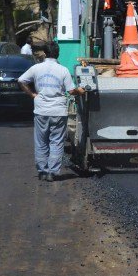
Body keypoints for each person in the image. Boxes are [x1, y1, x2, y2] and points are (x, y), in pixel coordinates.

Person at [18, 41, 85, 181]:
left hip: (41, 110)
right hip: (58, 111)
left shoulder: (36, 68)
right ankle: (52, 172)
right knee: (56, 141)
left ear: (44, 53)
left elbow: (21, 81)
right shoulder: (63, 70)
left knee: (41, 141)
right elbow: (71, 91)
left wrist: (32, 95)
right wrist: (80, 91)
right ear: (57, 53)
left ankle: (42, 171)